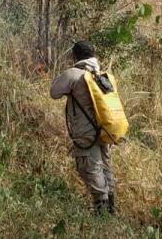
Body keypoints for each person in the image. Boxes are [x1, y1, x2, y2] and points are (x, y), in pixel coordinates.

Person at [50, 41, 117, 215]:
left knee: (91, 168)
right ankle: (111, 210)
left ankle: (102, 217)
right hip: (105, 129)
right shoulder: (102, 74)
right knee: (106, 167)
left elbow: (54, 92)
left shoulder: (73, 73)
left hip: (85, 133)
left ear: (75, 56)